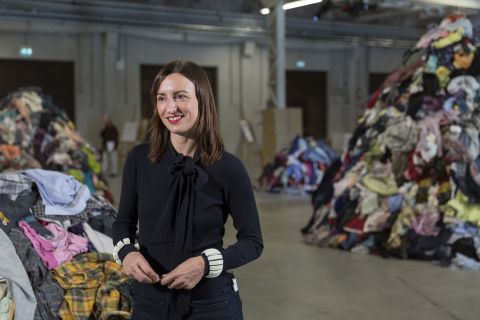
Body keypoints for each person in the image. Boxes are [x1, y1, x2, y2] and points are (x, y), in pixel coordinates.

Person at [112, 60, 263, 319]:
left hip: (210, 304)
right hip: (150, 303)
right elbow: (123, 222)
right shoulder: (139, 160)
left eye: (180, 96)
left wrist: (205, 264)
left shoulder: (229, 168)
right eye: (162, 98)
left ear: (202, 100)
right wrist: (126, 252)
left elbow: (252, 241)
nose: (170, 107)